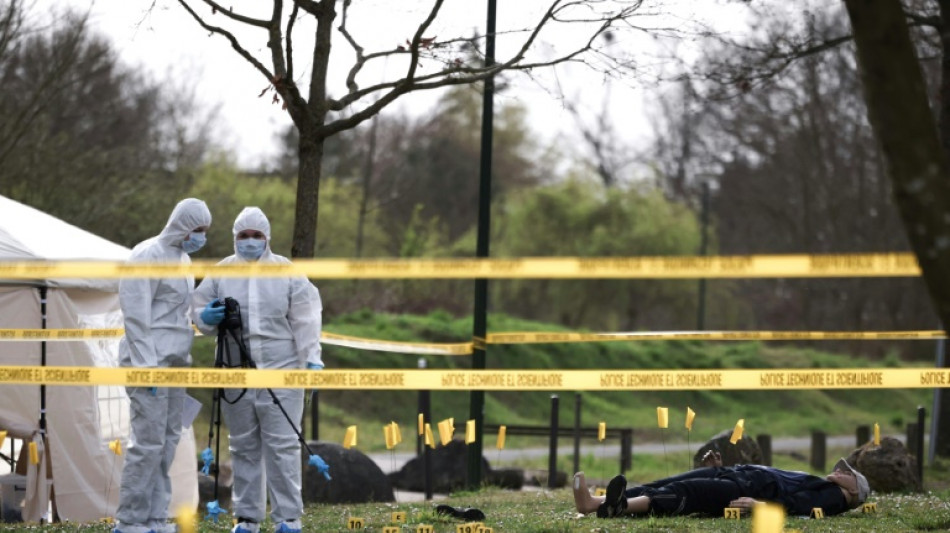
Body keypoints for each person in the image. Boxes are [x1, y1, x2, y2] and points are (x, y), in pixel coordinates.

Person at [193, 207, 323, 533]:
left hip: (283, 370)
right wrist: (204, 318)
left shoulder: (286, 272)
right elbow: (196, 308)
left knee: (282, 447)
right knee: (243, 446)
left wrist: (311, 359)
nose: (249, 241)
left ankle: (288, 519)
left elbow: (307, 317)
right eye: (243, 236)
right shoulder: (221, 272)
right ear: (234, 237)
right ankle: (247, 517)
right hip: (236, 372)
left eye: (256, 236)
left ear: (267, 238)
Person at [114, 198, 212, 533]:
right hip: (149, 364)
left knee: (169, 441)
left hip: (175, 363)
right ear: (182, 224)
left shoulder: (184, 260)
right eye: (197, 229)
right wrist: (146, 366)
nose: (201, 237)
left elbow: (179, 314)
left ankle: (155, 517)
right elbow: (136, 316)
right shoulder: (147, 255)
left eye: (205, 231)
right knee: (147, 444)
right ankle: (129, 521)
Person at [573, 450, 870, 519]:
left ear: (853, 489)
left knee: (683, 494)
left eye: (847, 473)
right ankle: (594, 504)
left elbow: (803, 507)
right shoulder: (822, 483)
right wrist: (719, 468)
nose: (839, 471)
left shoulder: (836, 497)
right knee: (665, 482)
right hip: (734, 475)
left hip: (745, 492)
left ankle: (621, 507)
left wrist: (762, 508)